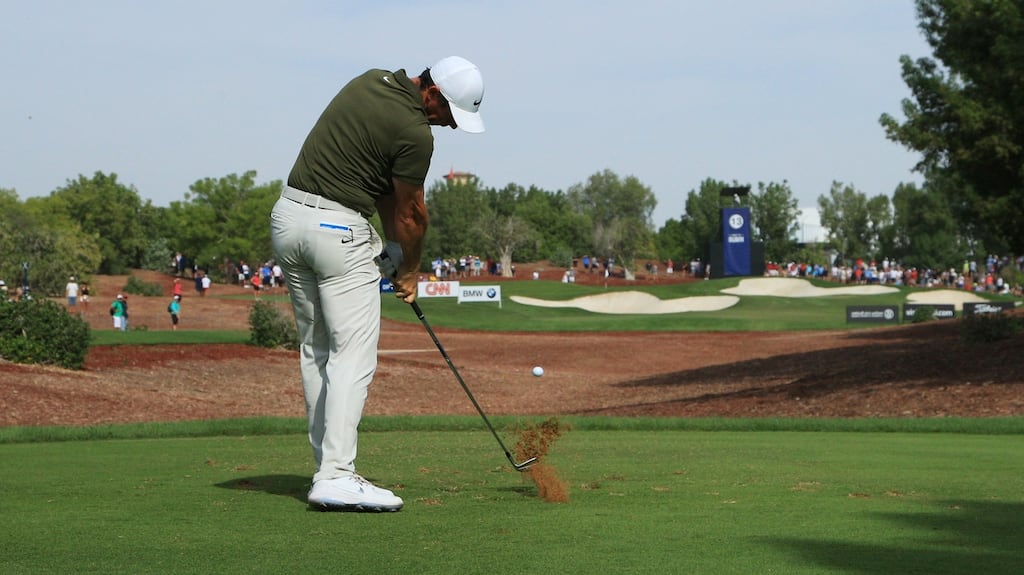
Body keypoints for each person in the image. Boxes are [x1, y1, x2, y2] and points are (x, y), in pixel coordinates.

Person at [271, 55, 485, 512]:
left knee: (317, 350)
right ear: (432, 94)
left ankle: (325, 469)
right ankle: (337, 475)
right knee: (353, 355)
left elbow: (385, 189)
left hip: (288, 219)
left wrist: (389, 248)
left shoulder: (370, 80)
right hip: (336, 230)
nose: (448, 126)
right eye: (449, 114)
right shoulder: (416, 133)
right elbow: (412, 212)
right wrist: (409, 268)